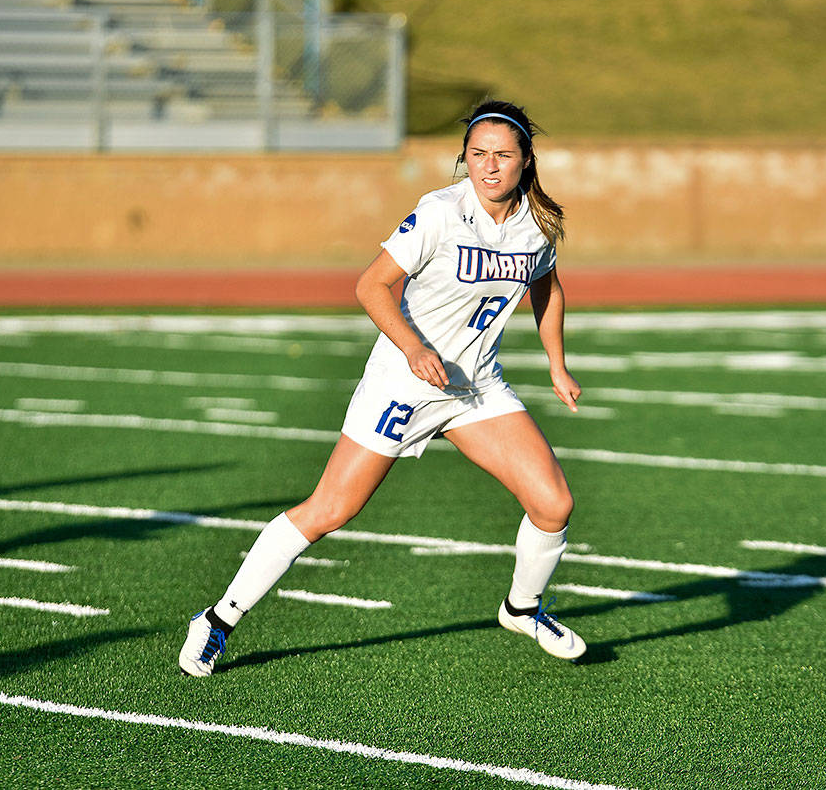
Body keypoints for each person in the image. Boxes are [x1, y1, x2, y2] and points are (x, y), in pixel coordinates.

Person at [178, 100, 587, 676]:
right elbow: (372, 285)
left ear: (526, 161)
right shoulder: (441, 212)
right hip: (403, 382)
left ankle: (522, 607)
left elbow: (546, 287)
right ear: (464, 160)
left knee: (553, 503)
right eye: (477, 155)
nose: (489, 167)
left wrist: (556, 363)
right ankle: (218, 618)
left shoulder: (536, 222)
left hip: (474, 388)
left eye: (503, 155)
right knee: (330, 509)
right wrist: (413, 349)